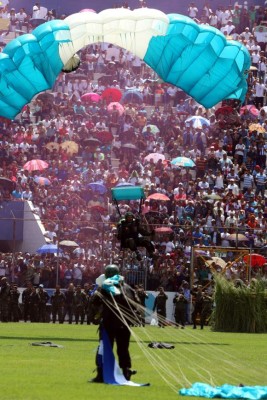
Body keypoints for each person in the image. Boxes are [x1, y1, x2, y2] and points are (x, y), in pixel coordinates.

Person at [91, 264, 139, 383]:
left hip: (109, 324)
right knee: (123, 348)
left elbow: (94, 302)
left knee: (104, 348)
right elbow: (137, 303)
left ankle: (101, 374)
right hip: (124, 324)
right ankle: (126, 371)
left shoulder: (105, 287)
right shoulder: (128, 288)